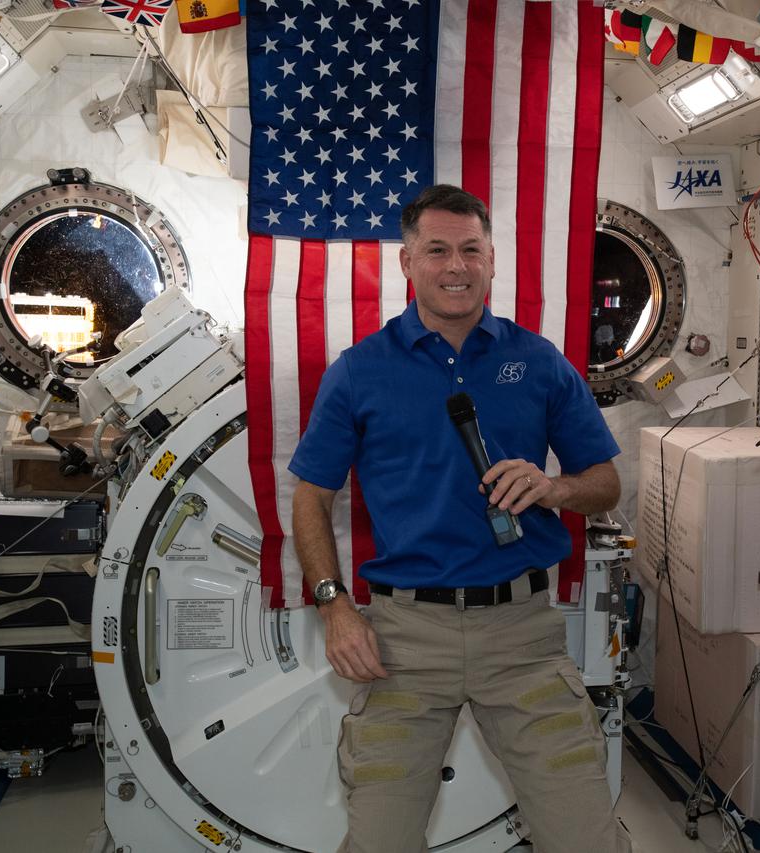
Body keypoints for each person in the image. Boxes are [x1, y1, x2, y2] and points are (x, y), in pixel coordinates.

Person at [289, 184, 631, 853]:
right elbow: (310, 495)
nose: (456, 265)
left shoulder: (537, 362)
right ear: (408, 262)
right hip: (404, 643)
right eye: (438, 249)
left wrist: (553, 487)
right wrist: (334, 607)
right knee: (379, 841)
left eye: (470, 249)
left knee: (587, 839)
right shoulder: (360, 371)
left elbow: (606, 483)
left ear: (493, 259)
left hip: (523, 639)